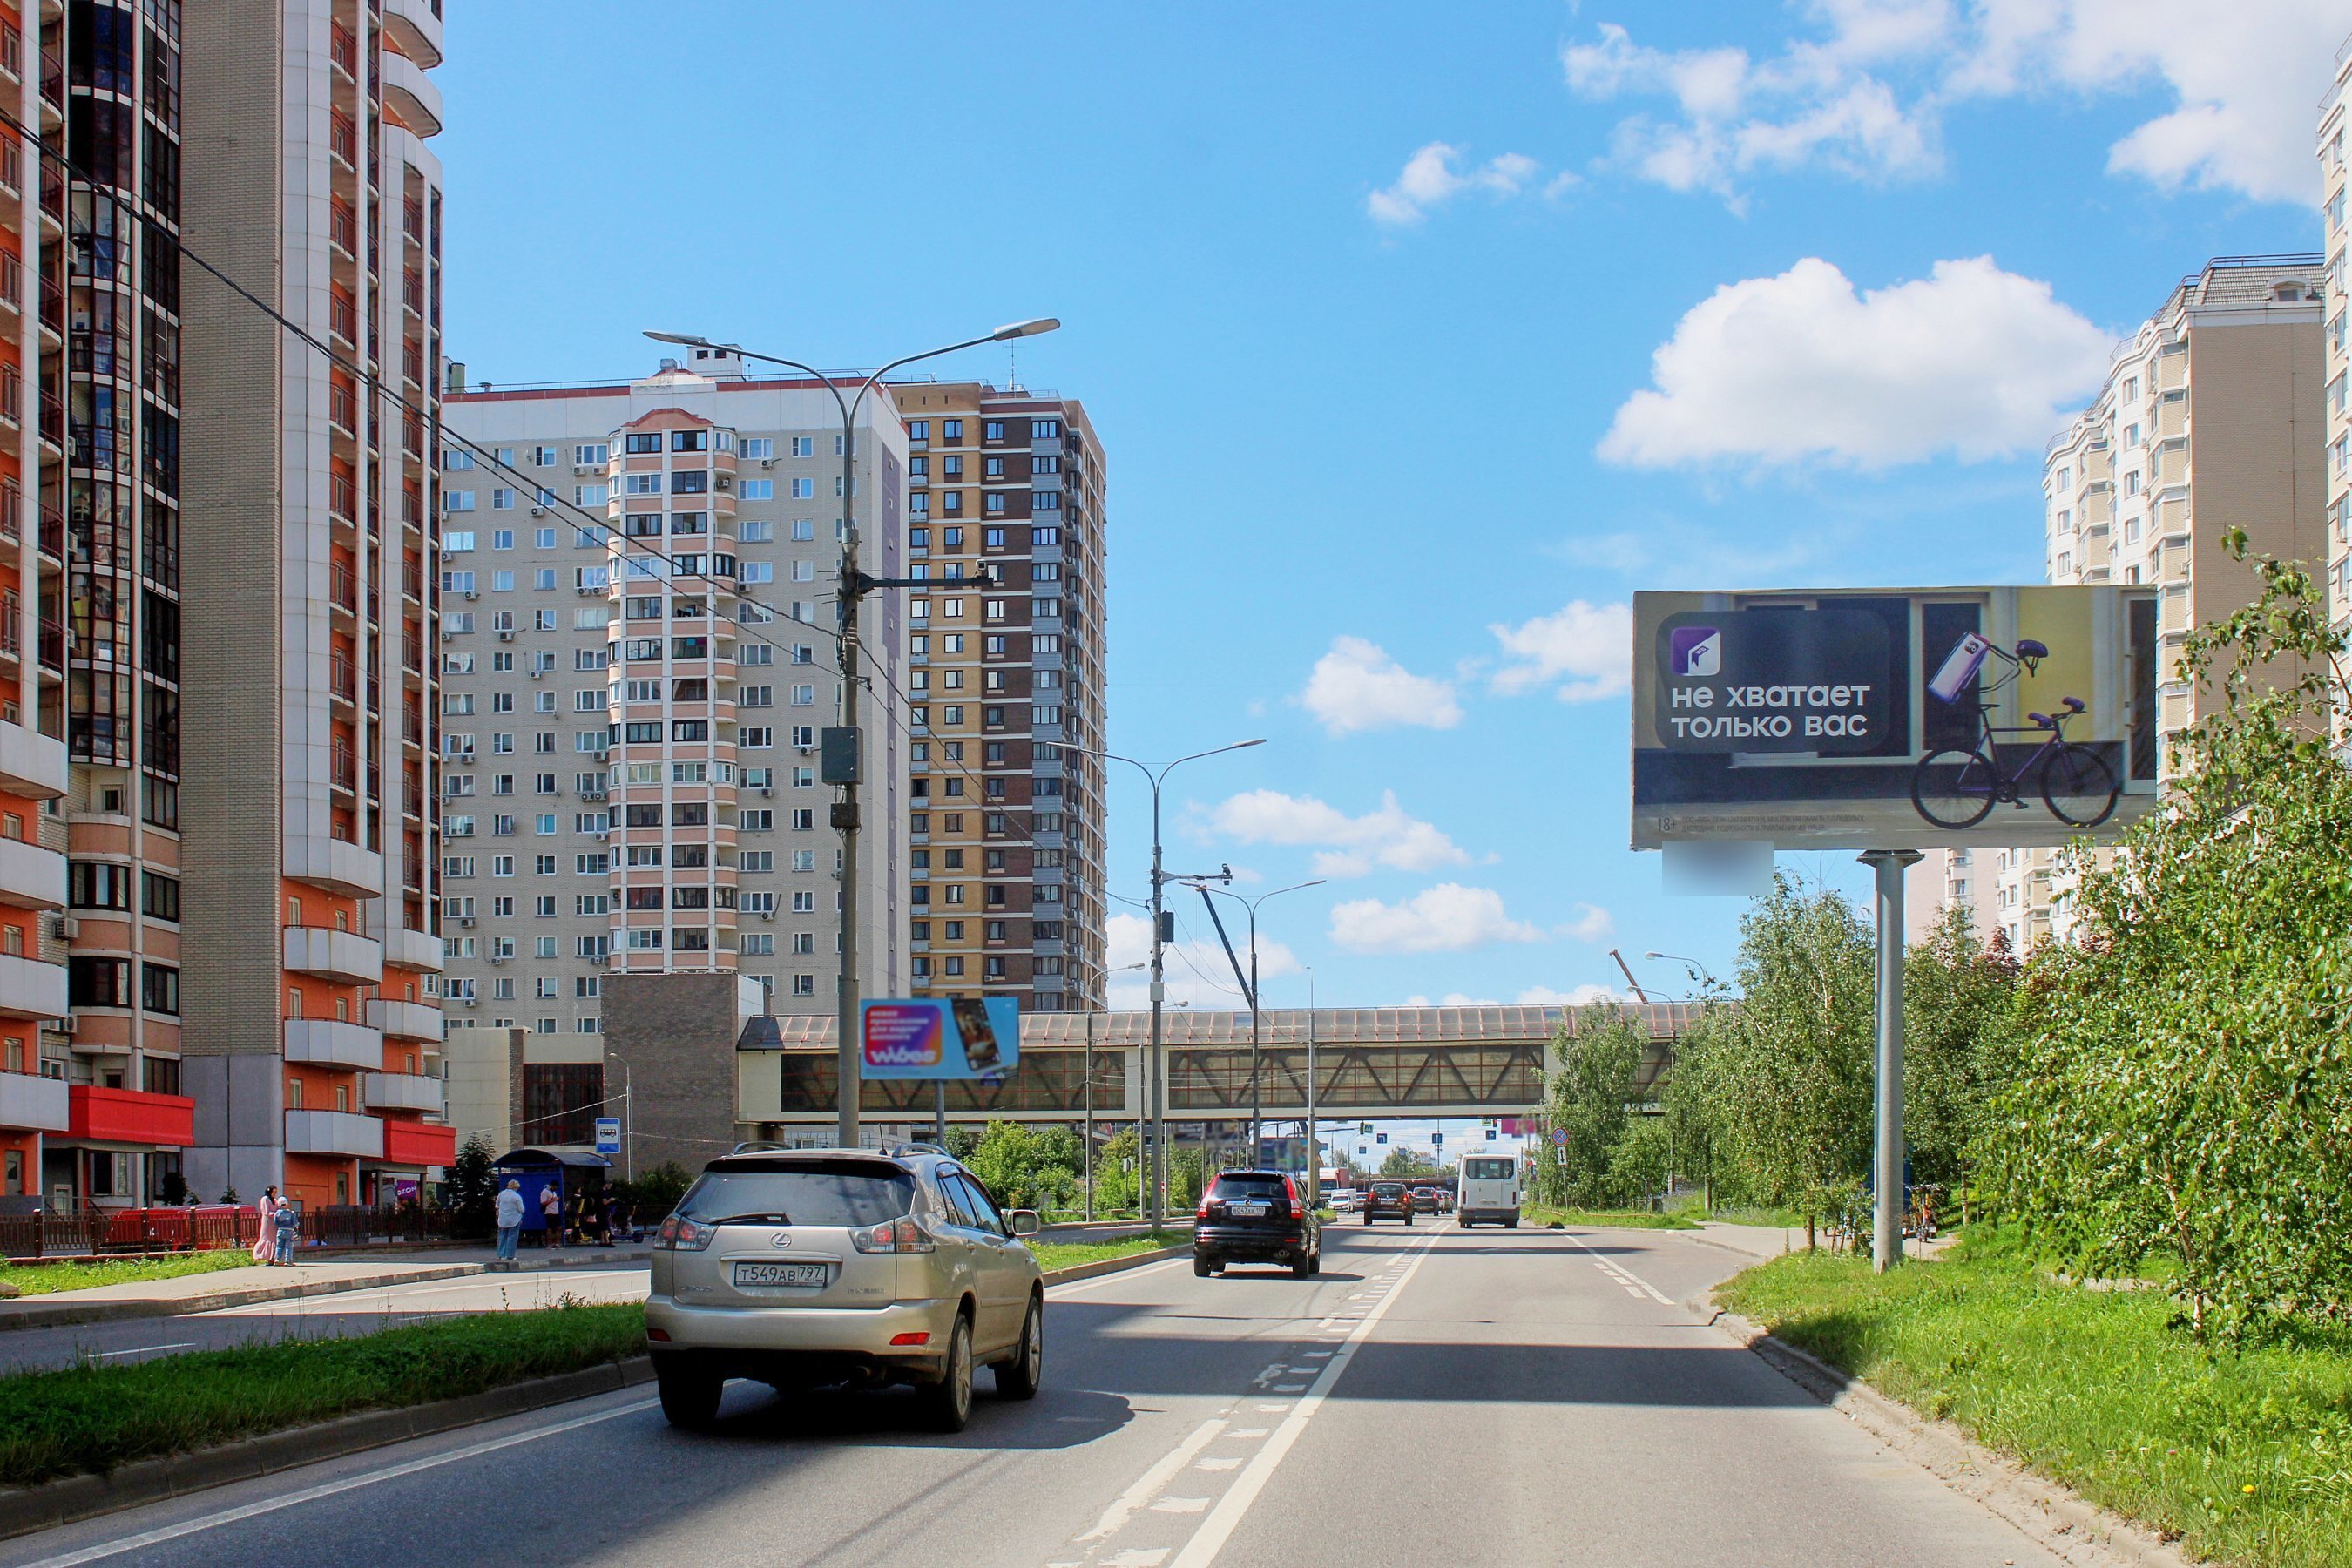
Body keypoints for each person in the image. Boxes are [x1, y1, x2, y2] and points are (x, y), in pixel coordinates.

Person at [494, 1179, 524, 1267]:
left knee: (502, 1236)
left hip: (502, 1219)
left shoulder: (501, 1194)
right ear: (515, 1187)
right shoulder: (517, 1196)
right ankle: (510, 1255)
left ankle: (500, 1255)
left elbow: (497, 1205)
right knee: (512, 1237)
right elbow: (521, 1209)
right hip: (514, 1219)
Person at [250, 1186, 280, 1263]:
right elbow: (266, 1212)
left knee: (274, 1240)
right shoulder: (265, 1199)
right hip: (267, 1221)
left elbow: (278, 1209)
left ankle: (271, 1258)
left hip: (274, 1222)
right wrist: (277, 1214)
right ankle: (258, 1255)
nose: (274, 1194)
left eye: (275, 1192)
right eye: (273, 1192)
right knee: (265, 1238)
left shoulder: (275, 1200)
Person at [272, 1196, 301, 1265]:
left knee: (279, 1246)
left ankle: (277, 1259)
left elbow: (275, 1222)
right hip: (289, 1231)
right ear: (286, 1204)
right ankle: (287, 1261)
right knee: (289, 1247)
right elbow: (295, 1223)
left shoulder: (277, 1213)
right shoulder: (291, 1213)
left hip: (280, 1230)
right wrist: (297, 1225)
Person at [539, 1180, 563, 1247]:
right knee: (550, 1228)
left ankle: (557, 1243)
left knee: (559, 1227)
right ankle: (549, 1244)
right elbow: (543, 1202)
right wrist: (554, 1200)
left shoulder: (554, 1192)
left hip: (556, 1212)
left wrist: (556, 1200)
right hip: (549, 1212)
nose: (555, 1189)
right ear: (551, 1186)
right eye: (554, 1187)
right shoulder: (545, 1192)